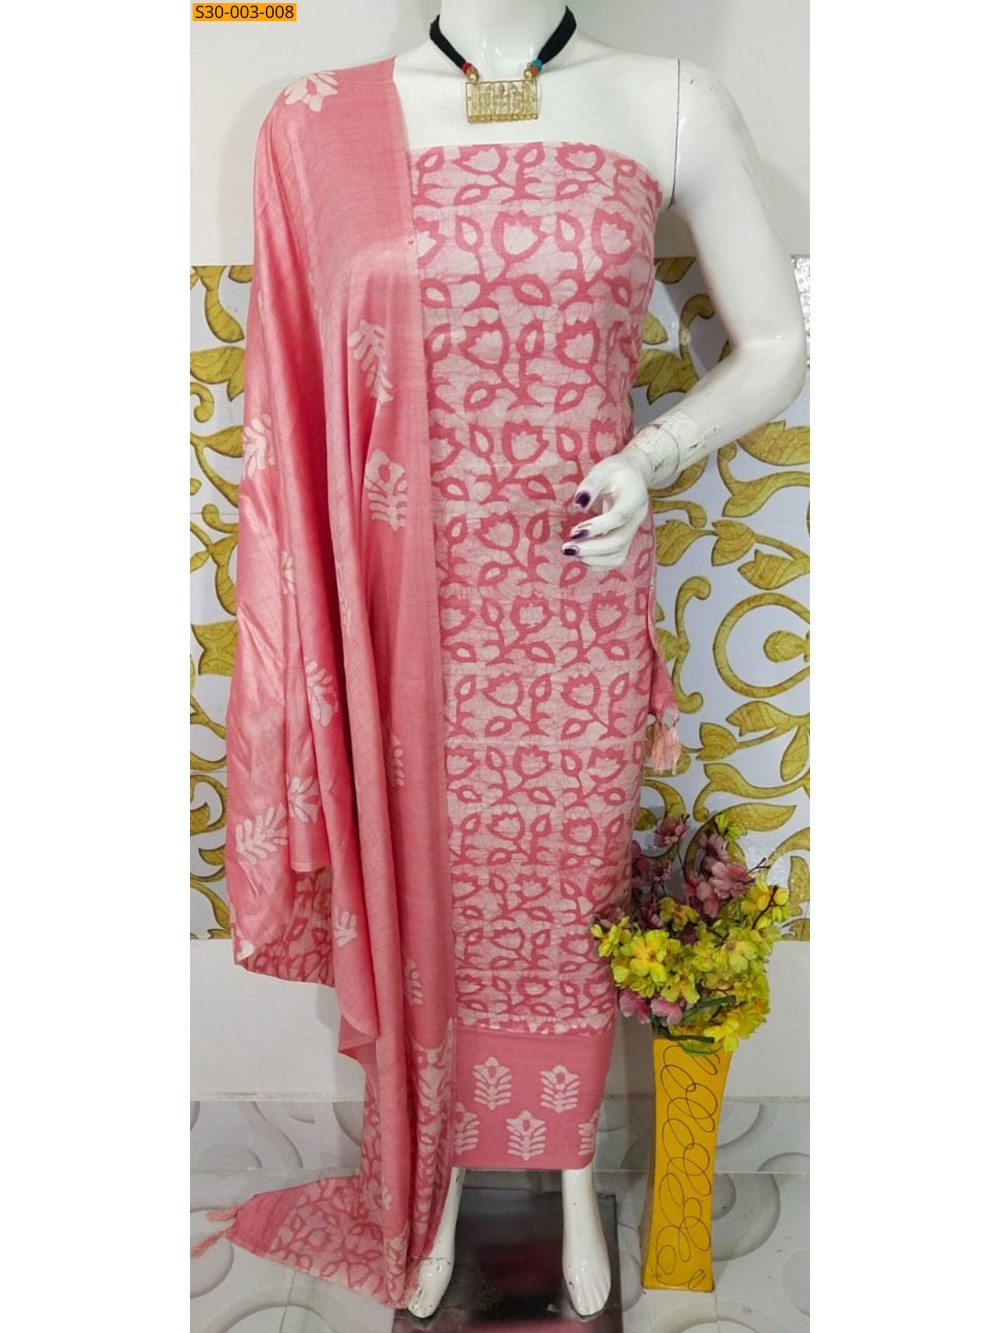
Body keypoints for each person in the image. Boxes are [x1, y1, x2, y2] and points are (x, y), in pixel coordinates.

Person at [220, 1, 806, 1319]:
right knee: (429, 888)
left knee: (560, 903)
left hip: (572, 607)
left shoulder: (668, 98)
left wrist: (651, 457)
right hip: (394, 615)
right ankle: (427, 1186)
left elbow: (775, 343)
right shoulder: (315, 126)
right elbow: (297, 393)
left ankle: (568, 1181)